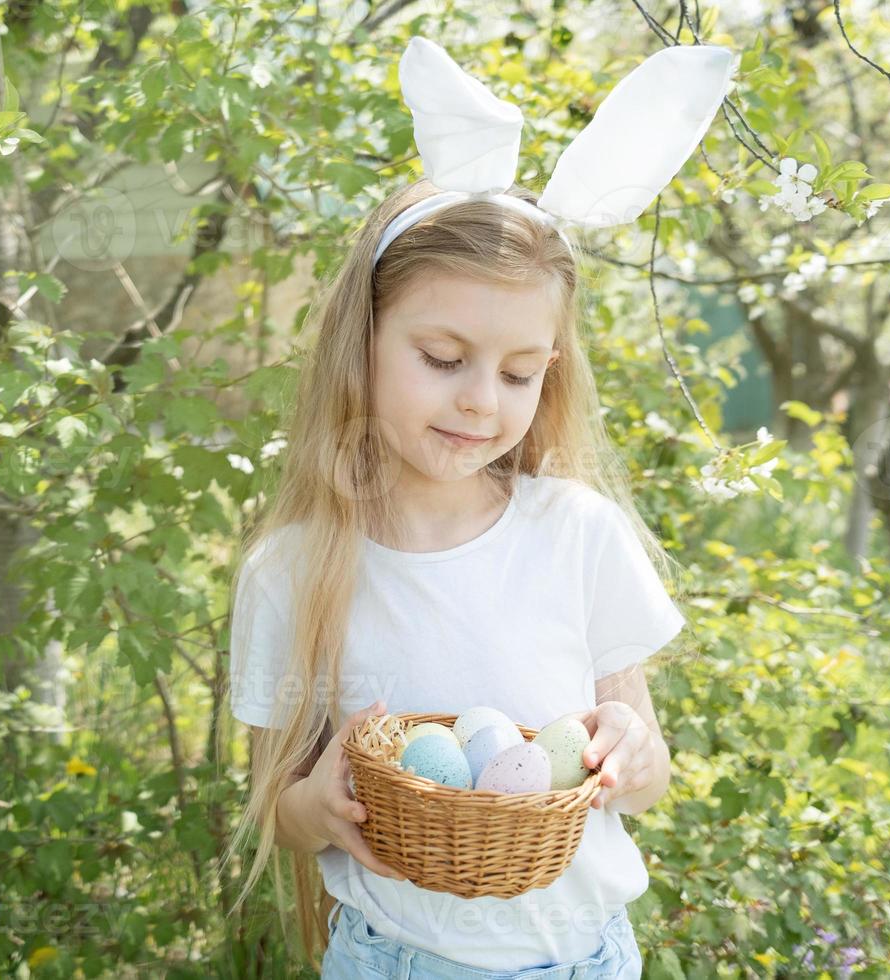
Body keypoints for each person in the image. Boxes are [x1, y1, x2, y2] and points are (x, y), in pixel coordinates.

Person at [221, 33, 731, 979]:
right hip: (399, 960)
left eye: (520, 372)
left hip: (589, 959)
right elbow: (278, 812)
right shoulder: (295, 570)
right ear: (361, 341)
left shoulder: (576, 535)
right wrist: (318, 807)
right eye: (443, 359)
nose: (480, 402)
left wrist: (634, 758)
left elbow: (645, 774)